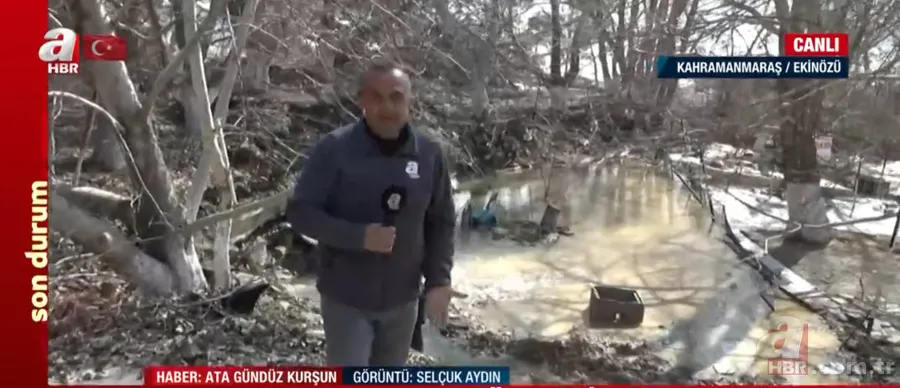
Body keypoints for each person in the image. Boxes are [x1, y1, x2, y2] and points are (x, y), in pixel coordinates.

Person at [287, 62, 457, 366]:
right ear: (362, 101)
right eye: (376, 97)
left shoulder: (430, 153)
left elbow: (441, 221)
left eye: (396, 97)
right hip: (347, 300)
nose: (387, 106)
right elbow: (301, 213)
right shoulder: (336, 149)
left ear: (409, 101)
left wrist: (438, 280)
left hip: (403, 301)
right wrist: (359, 236)